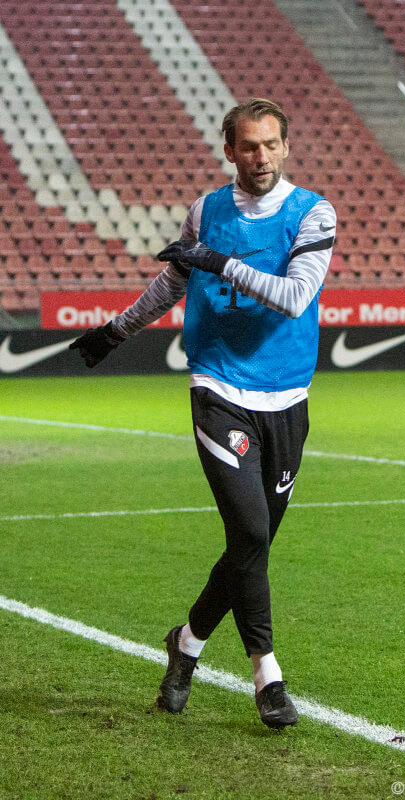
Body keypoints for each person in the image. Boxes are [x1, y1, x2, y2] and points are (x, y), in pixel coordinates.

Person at [70, 98, 336, 730]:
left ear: (287, 147)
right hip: (218, 389)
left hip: (287, 400)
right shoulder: (206, 211)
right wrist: (117, 329)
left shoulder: (314, 213)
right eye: (249, 146)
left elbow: (295, 297)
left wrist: (219, 263)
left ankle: (186, 645)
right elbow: (174, 281)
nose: (261, 156)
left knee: (253, 542)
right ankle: (267, 676)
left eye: (272, 144)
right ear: (230, 151)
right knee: (248, 534)